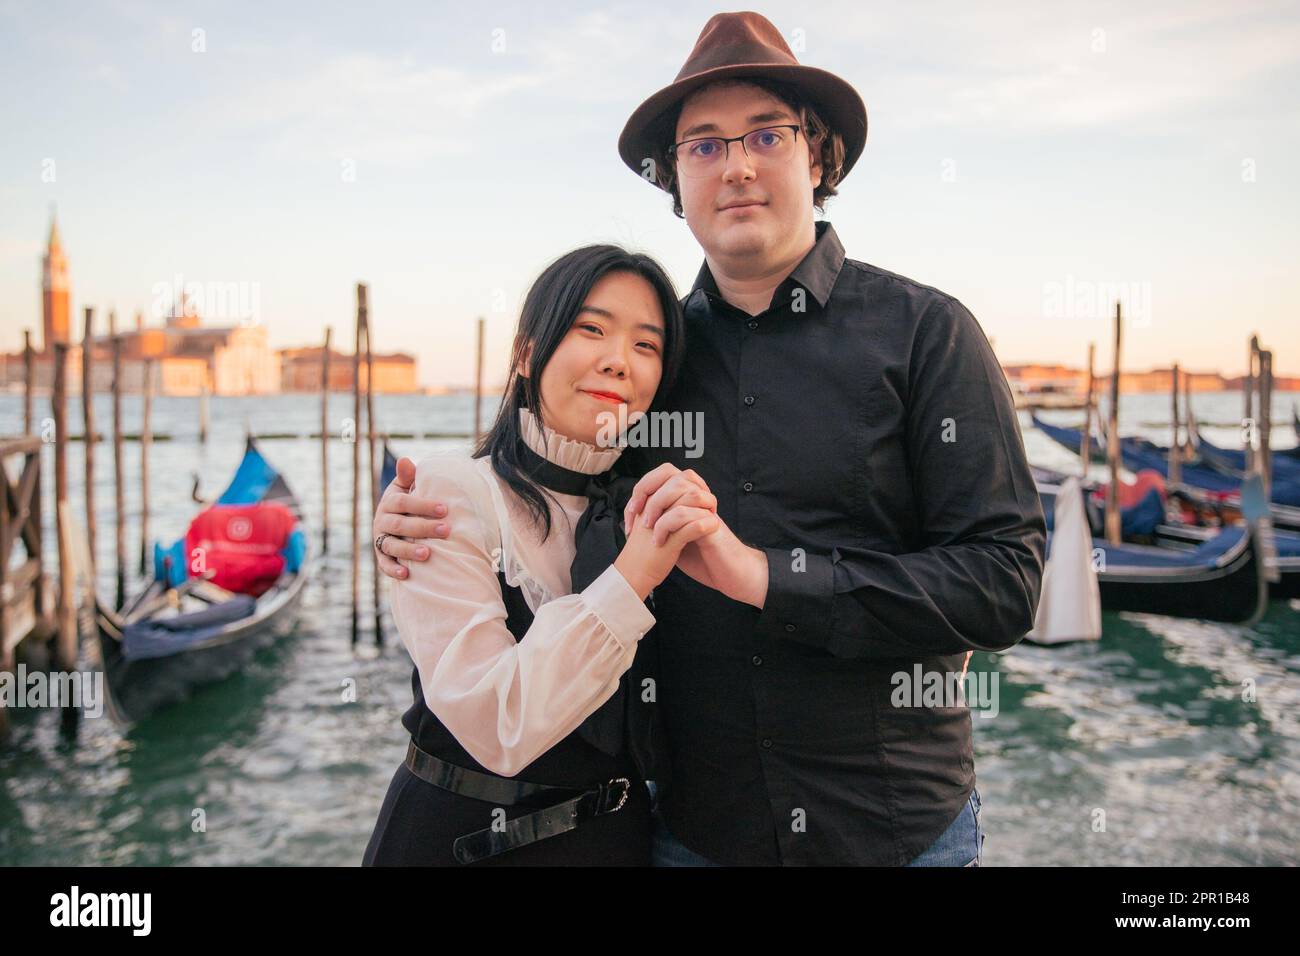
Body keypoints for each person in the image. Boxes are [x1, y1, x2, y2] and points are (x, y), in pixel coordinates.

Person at [373, 12, 1045, 866]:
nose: (735, 165)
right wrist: (420, 520)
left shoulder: (928, 334)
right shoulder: (649, 359)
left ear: (818, 156)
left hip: (895, 828)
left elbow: (1005, 580)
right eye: (702, 145)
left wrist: (770, 578)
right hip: (694, 832)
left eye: (766, 133)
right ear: (675, 179)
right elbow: (545, 491)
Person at [362, 245, 722, 866]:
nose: (617, 362)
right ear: (526, 352)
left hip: (617, 845)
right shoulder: (453, 493)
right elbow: (500, 722)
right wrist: (634, 575)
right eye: (591, 329)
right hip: (465, 844)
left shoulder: (645, 501)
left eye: (646, 345)